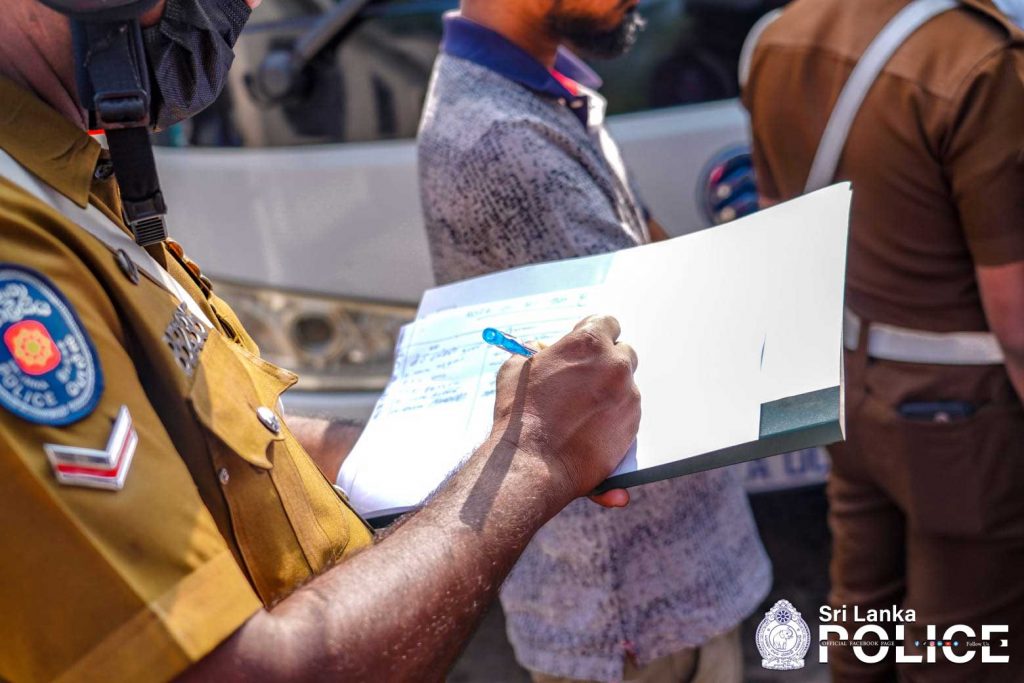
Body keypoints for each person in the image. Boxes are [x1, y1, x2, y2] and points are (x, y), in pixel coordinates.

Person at [0, 0, 644, 680]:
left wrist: (463, 444)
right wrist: (529, 459)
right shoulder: (19, 249)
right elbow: (247, 671)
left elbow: (214, 434)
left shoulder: (63, 181)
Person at [417, 3, 772, 681]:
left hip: (654, 588)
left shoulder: (535, 88)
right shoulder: (503, 140)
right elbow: (631, 348)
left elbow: (644, 259)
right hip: (635, 613)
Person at [744, 0, 1024, 680]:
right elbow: (1015, 314)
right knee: (962, 646)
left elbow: (779, 235)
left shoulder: (777, 36)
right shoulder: (980, 60)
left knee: (865, 608)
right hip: (959, 416)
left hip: (843, 387)